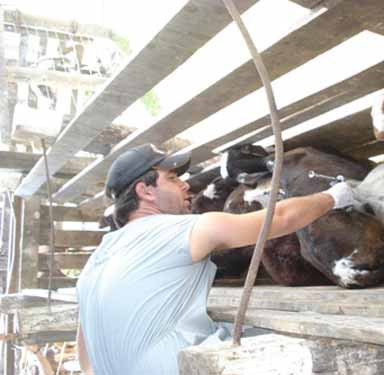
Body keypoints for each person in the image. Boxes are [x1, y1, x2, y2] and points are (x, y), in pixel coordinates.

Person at [76, 143, 354, 375]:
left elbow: (85, 359)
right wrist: (333, 197)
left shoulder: (97, 258)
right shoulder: (175, 230)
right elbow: (278, 218)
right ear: (145, 191)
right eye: (172, 178)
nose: (185, 185)